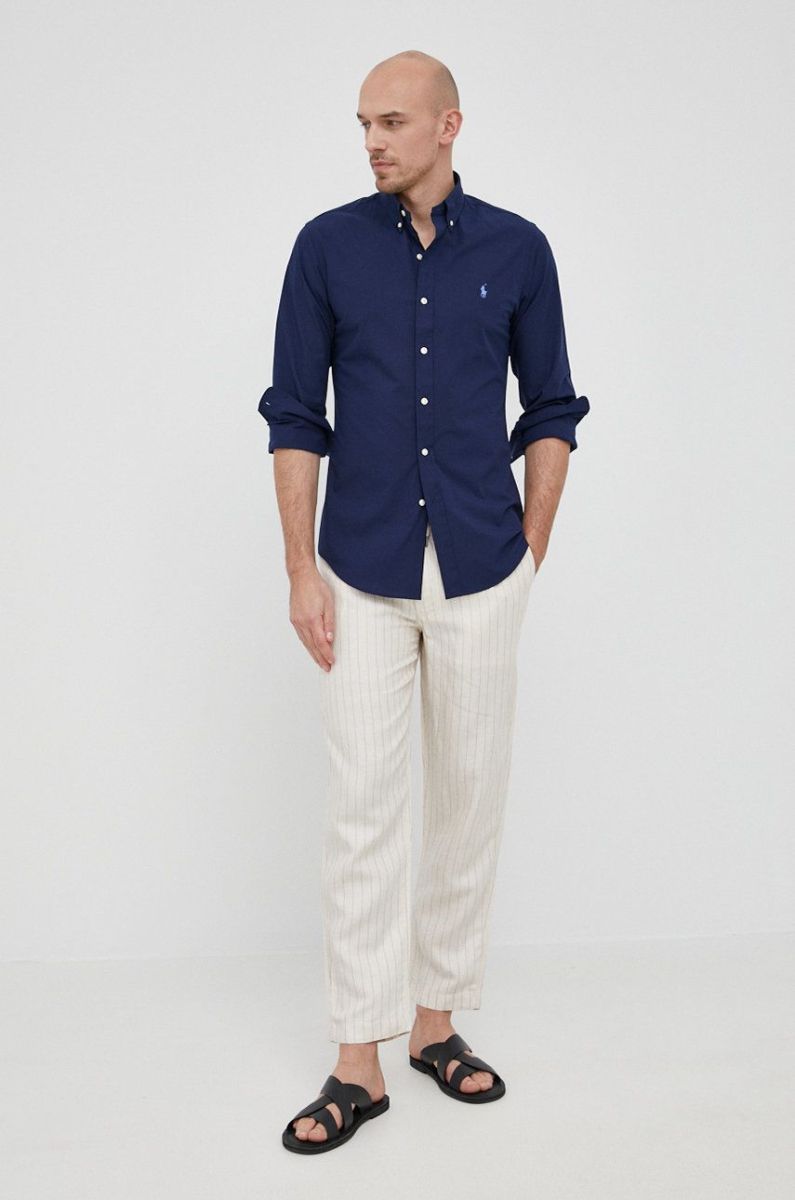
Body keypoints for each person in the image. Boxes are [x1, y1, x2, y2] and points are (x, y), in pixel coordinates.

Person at [258, 49, 590, 1154]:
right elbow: (295, 414)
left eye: (393, 121)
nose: (372, 141)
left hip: (483, 568)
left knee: (468, 799)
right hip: (360, 569)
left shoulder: (518, 249)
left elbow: (551, 405)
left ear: (449, 125)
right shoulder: (325, 248)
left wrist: (532, 541)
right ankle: (358, 1059)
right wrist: (299, 569)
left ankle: (436, 1023)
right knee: (362, 807)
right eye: (364, 122)